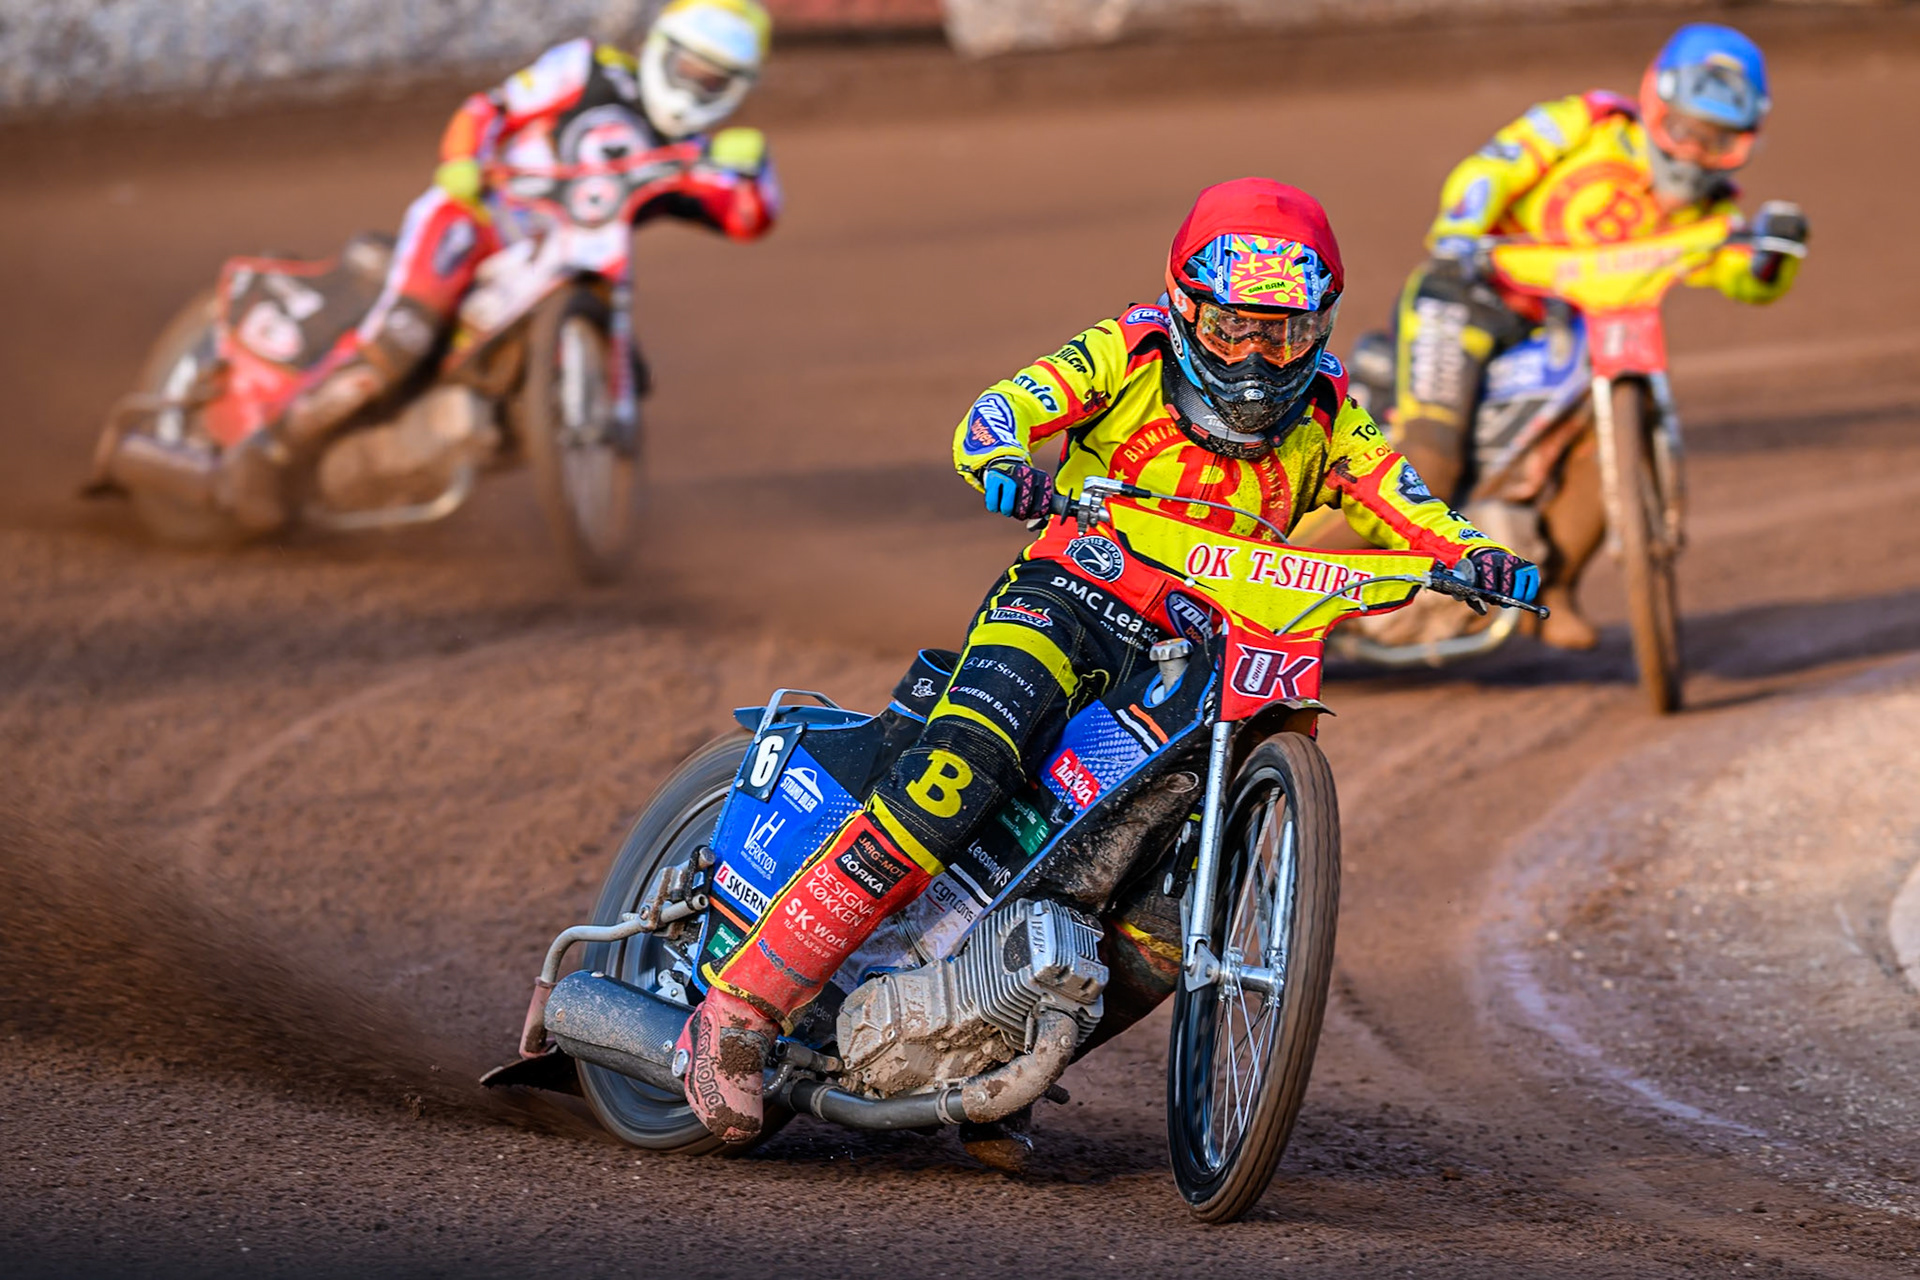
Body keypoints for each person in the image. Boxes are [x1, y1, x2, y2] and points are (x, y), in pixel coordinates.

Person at [675, 177, 1540, 1144]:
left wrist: (1476, 555)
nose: (1257, 361)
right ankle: (739, 1012)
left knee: (1167, 915)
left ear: (1322, 327)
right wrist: (1003, 461)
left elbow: (1408, 500)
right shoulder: (1125, 351)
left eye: (1286, 335)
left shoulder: (1333, 408)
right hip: (1068, 598)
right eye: (1233, 330)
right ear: (1186, 308)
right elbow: (1001, 411)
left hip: (1202, 653)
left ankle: (999, 1061)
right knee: (955, 774)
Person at [217, 0, 780, 530]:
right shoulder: (589, 70)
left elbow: (749, 218)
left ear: (736, 88)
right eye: (688, 69)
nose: (693, 87)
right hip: (481, 219)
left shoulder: (695, 156)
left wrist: (748, 171)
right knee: (405, 333)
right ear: (661, 51)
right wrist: (463, 160)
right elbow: (489, 108)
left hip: (566, 266)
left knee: (569, 386)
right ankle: (269, 447)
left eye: (712, 81)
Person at [1381, 22, 1806, 648]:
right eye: (1685, 130)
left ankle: (1551, 585)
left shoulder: (1708, 212)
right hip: (1471, 296)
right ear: (1656, 105)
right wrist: (1459, 231)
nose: (1693, 154)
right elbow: (1495, 166)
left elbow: (1744, 274)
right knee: (1430, 469)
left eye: (1717, 140)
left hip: (1574, 331)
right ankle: (1280, 581)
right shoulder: (1584, 124)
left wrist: (1776, 255)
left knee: (1612, 442)